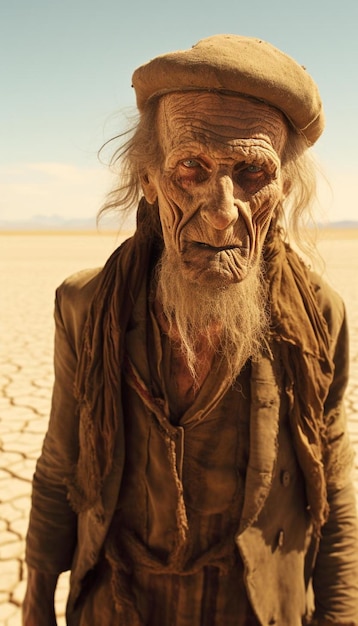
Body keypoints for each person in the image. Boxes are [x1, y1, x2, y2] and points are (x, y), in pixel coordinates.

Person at [22, 34, 358, 626]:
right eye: (191, 168)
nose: (223, 207)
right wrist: (36, 603)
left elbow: (334, 491)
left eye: (253, 172)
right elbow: (58, 464)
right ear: (149, 180)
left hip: (255, 610)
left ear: (282, 192)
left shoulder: (317, 319)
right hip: (120, 604)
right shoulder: (87, 306)